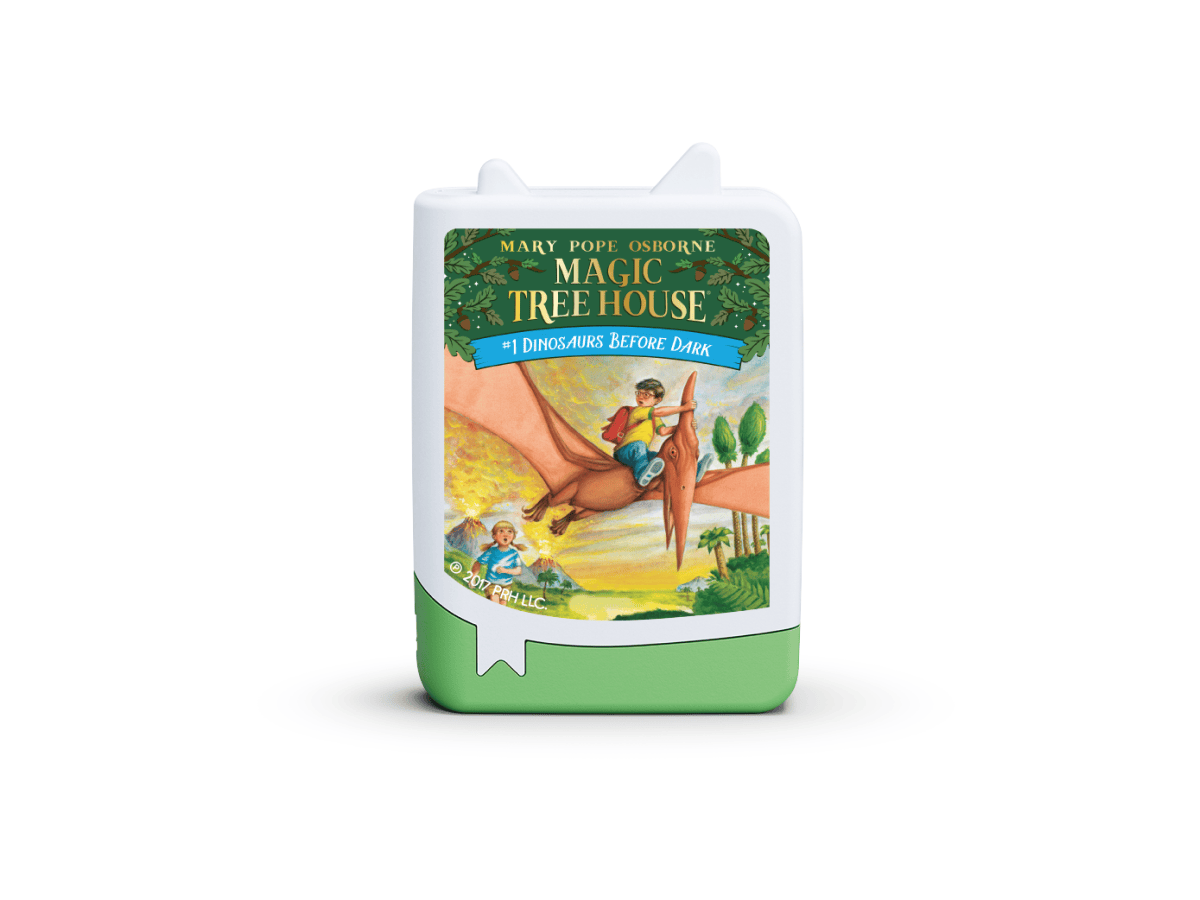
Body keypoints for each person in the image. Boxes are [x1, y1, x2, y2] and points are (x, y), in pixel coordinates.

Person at [611, 378, 714, 488]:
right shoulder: (637, 411)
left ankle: (693, 471)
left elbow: (663, 431)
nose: (640, 397)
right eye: (639, 393)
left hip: (642, 452)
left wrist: (684, 426)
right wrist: (683, 408)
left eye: (646, 394)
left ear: (657, 400)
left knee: (662, 458)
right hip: (624, 452)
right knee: (639, 446)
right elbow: (658, 412)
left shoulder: (654, 418)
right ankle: (641, 474)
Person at [470, 520, 527, 605]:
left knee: (503, 604)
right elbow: (478, 563)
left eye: (509, 532)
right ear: (494, 536)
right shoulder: (491, 551)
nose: (506, 534)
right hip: (492, 584)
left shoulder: (514, 553)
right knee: (495, 601)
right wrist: (473, 577)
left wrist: (505, 571)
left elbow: (518, 571)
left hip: (507, 585)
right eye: (501, 531)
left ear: (514, 536)